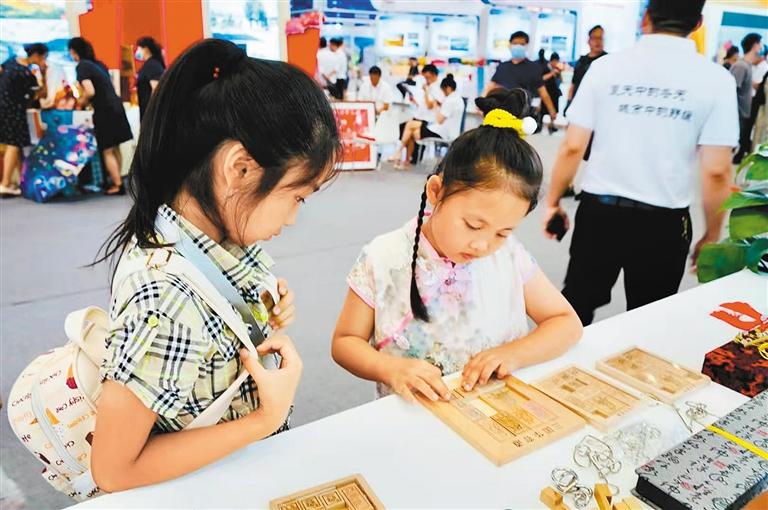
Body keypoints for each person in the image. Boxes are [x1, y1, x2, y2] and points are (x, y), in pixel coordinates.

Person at [89, 39, 340, 492]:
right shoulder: (165, 298)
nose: (294, 217)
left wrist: (266, 304)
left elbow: (217, 313)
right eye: (297, 196)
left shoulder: (203, 234)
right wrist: (265, 418)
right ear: (240, 168)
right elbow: (113, 468)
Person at [332, 88, 582, 401]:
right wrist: (389, 368)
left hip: (493, 414)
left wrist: (514, 354)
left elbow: (566, 323)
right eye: (473, 225)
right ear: (436, 191)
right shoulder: (383, 256)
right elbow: (345, 341)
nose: (483, 245)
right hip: (415, 417)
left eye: (502, 232)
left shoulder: (509, 255)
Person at [543, 0, 738, 326]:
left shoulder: (605, 68)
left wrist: (552, 203)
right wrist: (712, 234)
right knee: (650, 319)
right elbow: (716, 170)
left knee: (576, 307)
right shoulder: (716, 79)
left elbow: (572, 146)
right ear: (698, 23)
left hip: (599, 214)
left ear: (646, 17)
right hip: (664, 224)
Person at [68, 37, 133, 195]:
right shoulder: (98, 64)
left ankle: (117, 184)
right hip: (116, 106)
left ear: (74, 52)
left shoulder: (82, 66)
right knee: (116, 146)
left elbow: (90, 91)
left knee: (107, 150)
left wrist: (80, 102)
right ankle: (120, 181)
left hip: (104, 110)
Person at [483, 31, 558, 130]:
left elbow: (543, 92)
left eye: (521, 44)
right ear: (510, 45)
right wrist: (482, 101)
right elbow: (490, 85)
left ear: (526, 46)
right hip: (503, 114)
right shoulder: (503, 67)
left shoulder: (533, 68)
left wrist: (552, 111)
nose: (518, 46)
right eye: (515, 44)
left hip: (524, 115)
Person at [0, 43, 47, 198]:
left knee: (13, 144)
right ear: (37, 56)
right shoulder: (27, 73)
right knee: (14, 144)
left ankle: (20, 180)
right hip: (14, 110)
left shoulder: (11, 62)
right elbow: (36, 94)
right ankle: (5, 183)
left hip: (3, 107)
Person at [392, 74, 463, 168]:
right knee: (411, 128)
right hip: (445, 130)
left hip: (442, 132)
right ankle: (405, 160)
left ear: (448, 89)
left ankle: (399, 152)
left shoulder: (450, 100)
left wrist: (435, 107)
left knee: (410, 127)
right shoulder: (458, 99)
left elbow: (439, 120)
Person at [731, 33, 761, 163]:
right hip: (738, 112)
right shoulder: (741, 66)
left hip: (744, 111)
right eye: (759, 43)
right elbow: (732, 90)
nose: (761, 47)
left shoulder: (747, 65)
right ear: (754, 45)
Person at [567, 25, 607, 111]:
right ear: (588, 41)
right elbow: (573, 84)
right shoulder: (581, 61)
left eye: (601, 38)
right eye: (595, 38)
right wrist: (569, 103)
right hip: (578, 105)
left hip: (597, 107)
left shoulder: (607, 61)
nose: (598, 41)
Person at [135, 36, 166, 120]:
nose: (137, 52)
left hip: (151, 113)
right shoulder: (150, 64)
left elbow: (156, 88)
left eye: (139, 48)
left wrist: (151, 111)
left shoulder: (152, 65)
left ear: (146, 49)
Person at [543, 52, 563, 132]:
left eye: (557, 61)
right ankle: (540, 124)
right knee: (544, 110)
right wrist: (552, 73)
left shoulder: (557, 69)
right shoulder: (545, 68)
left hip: (555, 93)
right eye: (555, 61)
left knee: (555, 109)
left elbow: (561, 80)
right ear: (551, 61)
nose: (556, 63)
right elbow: (542, 79)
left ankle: (552, 125)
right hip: (546, 93)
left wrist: (559, 73)